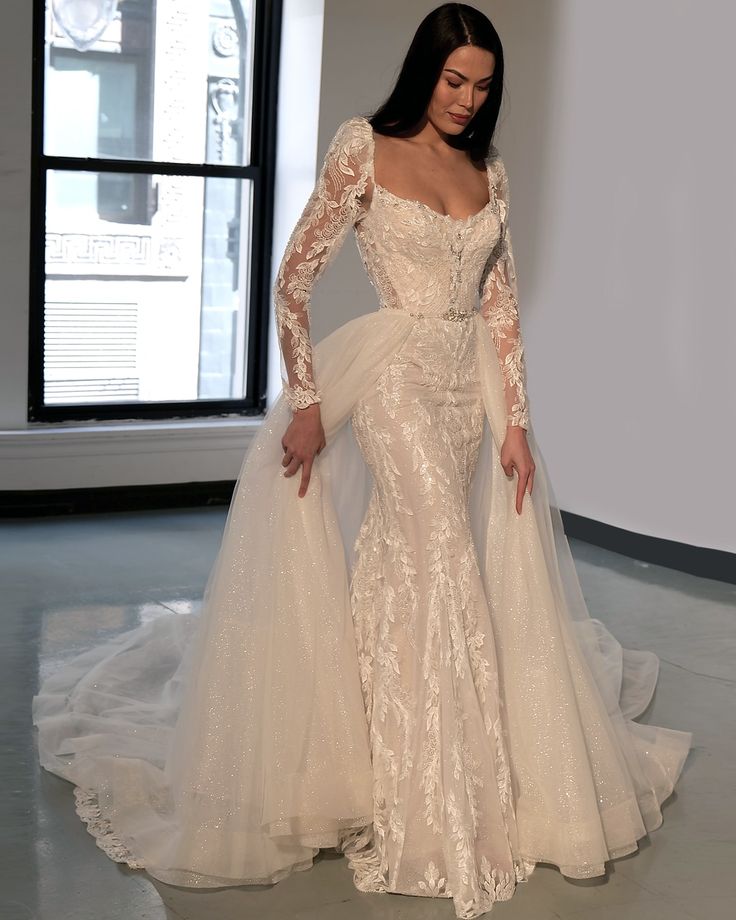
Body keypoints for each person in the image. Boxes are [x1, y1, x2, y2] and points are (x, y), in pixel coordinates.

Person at [31, 5, 693, 919]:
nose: (467, 100)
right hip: (390, 375)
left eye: (483, 85)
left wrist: (517, 425)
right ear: (425, 70)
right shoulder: (364, 147)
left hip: (471, 388)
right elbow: (293, 277)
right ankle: (435, 795)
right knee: (434, 544)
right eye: (454, 79)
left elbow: (500, 308)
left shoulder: (487, 170)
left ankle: (379, 736)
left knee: (413, 554)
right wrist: (306, 403)